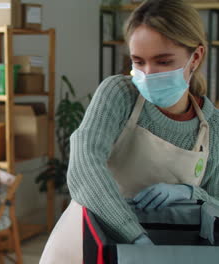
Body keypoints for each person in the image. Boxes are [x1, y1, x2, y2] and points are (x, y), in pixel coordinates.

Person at [40, 0, 219, 262]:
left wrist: (190, 193)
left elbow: (216, 201)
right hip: (92, 243)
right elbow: (84, 167)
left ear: (196, 57)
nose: (148, 73)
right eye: (138, 61)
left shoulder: (211, 125)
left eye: (163, 61)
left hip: (171, 251)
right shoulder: (119, 94)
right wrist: (135, 240)